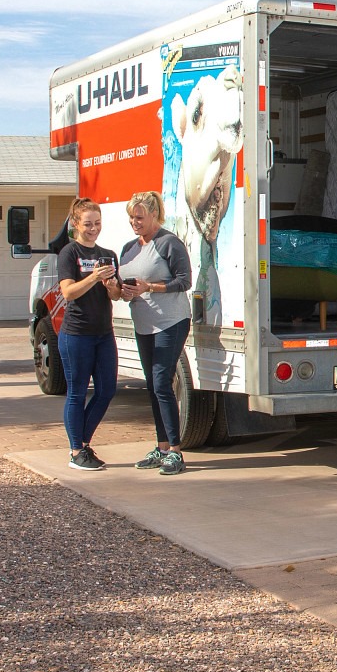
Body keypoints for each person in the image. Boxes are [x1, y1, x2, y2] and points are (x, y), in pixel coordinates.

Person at [118, 191, 196, 476]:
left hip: (171, 322)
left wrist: (149, 287)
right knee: (151, 384)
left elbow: (184, 281)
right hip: (144, 324)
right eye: (131, 217)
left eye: (139, 217)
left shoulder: (169, 243)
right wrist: (123, 291)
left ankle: (175, 451)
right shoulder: (129, 247)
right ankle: (161, 447)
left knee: (162, 382)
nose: (134, 222)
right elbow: (122, 282)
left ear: (154, 215)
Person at [56, 198, 121, 471]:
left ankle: (82, 443)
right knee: (77, 392)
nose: (93, 229)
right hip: (76, 334)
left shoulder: (108, 253)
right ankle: (76, 451)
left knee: (107, 390)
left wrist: (110, 284)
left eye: (97, 223)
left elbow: (116, 296)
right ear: (75, 224)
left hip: (103, 333)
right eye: (87, 224)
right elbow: (68, 292)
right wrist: (93, 277)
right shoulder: (69, 253)